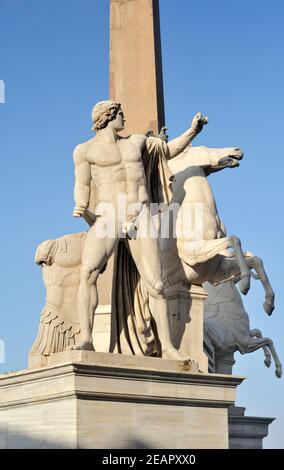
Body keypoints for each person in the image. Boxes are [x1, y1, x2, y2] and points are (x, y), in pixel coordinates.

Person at [73, 100, 207, 359]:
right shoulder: (84, 150)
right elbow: (82, 185)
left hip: (138, 214)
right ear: (108, 116)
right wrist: (81, 206)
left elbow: (167, 151)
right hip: (108, 215)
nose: (124, 116)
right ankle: (87, 339)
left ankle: (167, 347)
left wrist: (193, 131)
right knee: (88, 272)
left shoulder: (136, 142)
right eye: (120, 113)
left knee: (156, 284)